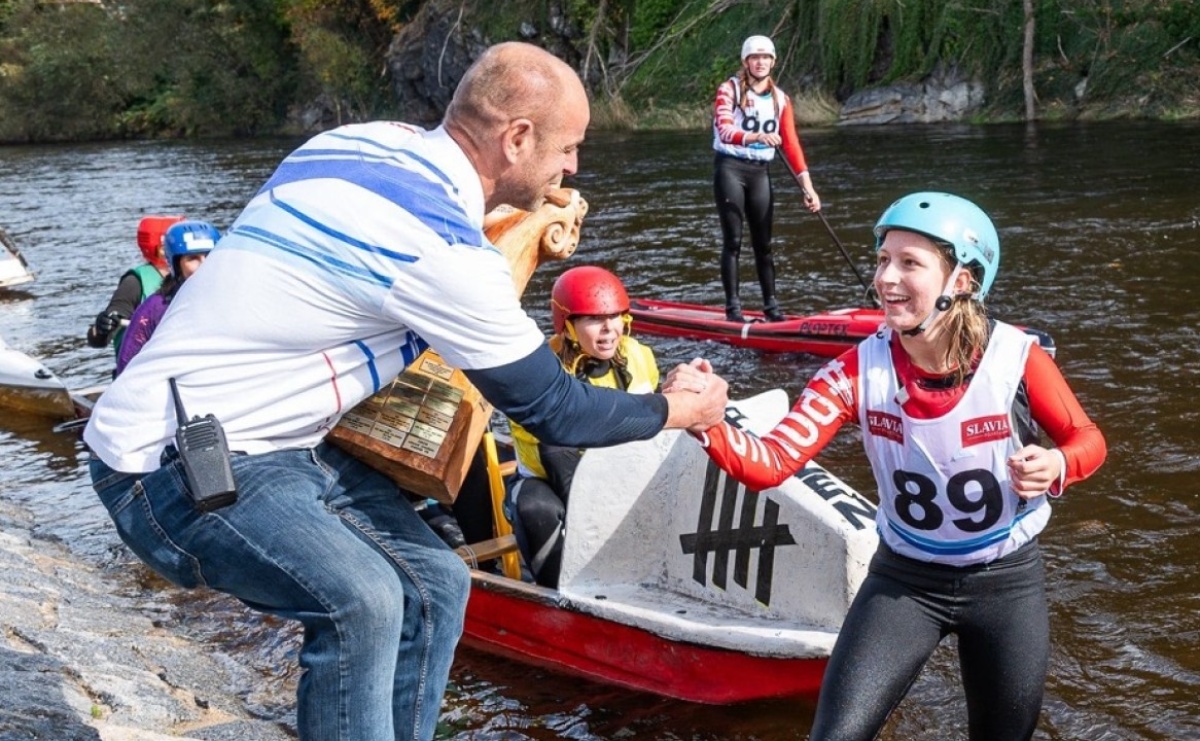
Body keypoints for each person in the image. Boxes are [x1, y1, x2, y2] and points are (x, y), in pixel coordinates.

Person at [83, 41, 727, 741]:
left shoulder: (361, 143)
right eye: (567, 148)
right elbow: (556, 409)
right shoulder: (439, 250)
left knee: (435, 584)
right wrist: (680, 407)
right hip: (164, 462)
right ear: (516, 138)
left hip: (280, 439)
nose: (572, 168)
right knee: (361, 602)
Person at [676, 192, 1106, 740]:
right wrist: (702, 420)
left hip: (1006, 583)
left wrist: (1057, 463)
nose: (885, 278)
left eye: (910, 263)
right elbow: (771, 463)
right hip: (905, 580)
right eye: (883, 260)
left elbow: (1087, 439)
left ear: (962, 282)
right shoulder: (854, 373)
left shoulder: (1018, 359)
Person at [509, 265, 659, 587]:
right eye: (594, 320)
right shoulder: (535, 372)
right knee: (536, 506)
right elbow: (551, 451)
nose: (608, 330)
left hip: (620, 474)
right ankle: (558, 591)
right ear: (568, 325)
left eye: (615, 317)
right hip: (549, 481)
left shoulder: (639, 355)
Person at [712, 34, 821, 324]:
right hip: (730, 169)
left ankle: (771, 308)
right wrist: (757, 137)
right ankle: (733, 310)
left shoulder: (780, 99)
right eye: (754, 58)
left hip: (760, 173)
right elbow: (724, 129)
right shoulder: (729, 89)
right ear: (746, 62)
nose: (760, 62)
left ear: (773, 61)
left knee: (764, 244)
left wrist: (807, 188)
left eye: (765, 57)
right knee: (733, 241)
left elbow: (792, 144)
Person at [114, 220, 219, 377]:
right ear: (177, 265)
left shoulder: (236, 298)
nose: (205, 265)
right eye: (193, 258)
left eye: (210, 256)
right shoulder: (156, 309)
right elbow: (127, 366)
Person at [86, 214, 185, 354]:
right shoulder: (134, 283)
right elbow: (98, 339)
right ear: (162, 249)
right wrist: (102, 327)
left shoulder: (194, 276)